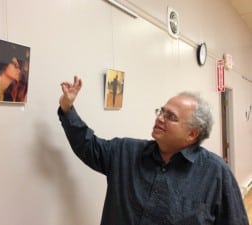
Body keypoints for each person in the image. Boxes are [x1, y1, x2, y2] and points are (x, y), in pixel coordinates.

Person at [58, 76, 249, 225]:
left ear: (192, 134)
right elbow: (88, 145)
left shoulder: (216, 174)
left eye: (170, 117)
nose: (160, 118)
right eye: (161, 111)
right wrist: (67, 108)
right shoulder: (126, 152)